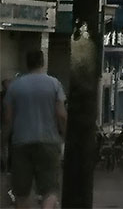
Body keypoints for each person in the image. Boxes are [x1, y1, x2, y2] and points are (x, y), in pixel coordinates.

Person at [1, 50, 67, 209]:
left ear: (27, 64)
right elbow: (61, 115)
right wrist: (64, 136)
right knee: (50, 189)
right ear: (42, 62)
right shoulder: (54, 84)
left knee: (21, 192)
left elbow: (8, 119)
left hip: (21, 143)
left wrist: (3, 141)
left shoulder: (15, 86)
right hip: (49, 142)